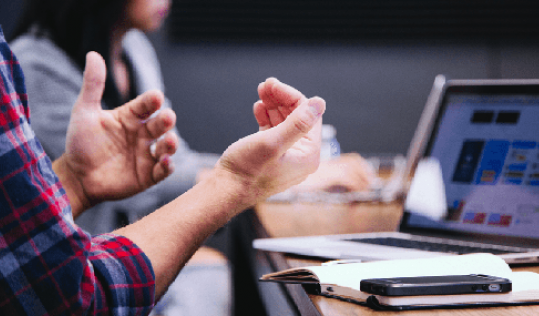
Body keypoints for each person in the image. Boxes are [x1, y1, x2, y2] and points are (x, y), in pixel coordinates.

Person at [10, 1, 372, 314]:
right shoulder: (33, 65)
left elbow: (170, 163)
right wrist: (257, 178)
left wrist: (75, 179)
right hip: (82, 268)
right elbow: (158, 186)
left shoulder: (134, 48)